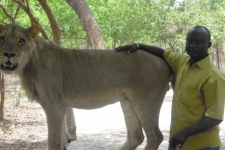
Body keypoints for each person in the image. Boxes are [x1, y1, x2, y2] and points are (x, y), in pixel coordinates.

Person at [115, 26, 225, 150]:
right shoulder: (182, 62)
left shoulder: (214, 77)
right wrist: (138, 45)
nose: (193, 45)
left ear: (209, 44)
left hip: (202, 146)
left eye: (199, 42)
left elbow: (214, 118)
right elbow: (163, 53)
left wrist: (184, 133)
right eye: (190, 41)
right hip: (179, 143)